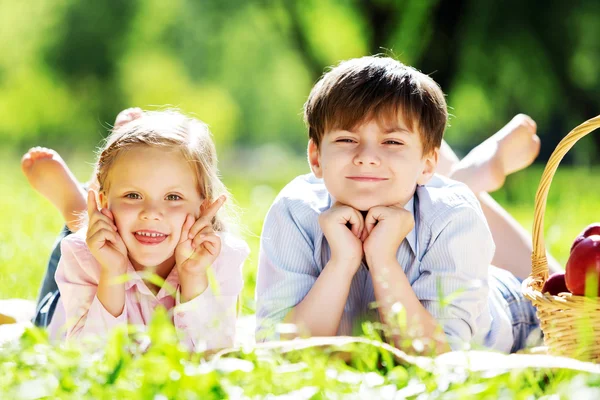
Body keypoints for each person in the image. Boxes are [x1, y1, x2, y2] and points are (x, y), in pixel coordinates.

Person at [255, 56, 557, 354]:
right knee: (440, 189)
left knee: (564, 289)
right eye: (347, 139)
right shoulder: (295, 210)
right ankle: (467, 173)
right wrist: (342, 262)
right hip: (428, 206)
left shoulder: (453, 214)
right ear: (316, 157)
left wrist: (383, 260)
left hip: (509, 307)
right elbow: (281, 352)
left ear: (429, 165)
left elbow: (439, 356)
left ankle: (466, 177)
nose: (367, 156)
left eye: (392, 142)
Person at [32, 110, 249, 351]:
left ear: (204, 206)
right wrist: (112, 272)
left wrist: (193, 276)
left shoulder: (220, 257)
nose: (152, 212)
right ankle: (82, 203)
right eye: (133, 195)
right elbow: (89, 357)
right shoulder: (81, 253)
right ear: (105, 201)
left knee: (97, 224)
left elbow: (214, 354)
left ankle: (94, 193)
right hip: (63, 313)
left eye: (173, 197)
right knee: (82, 236)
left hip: (117, 225)